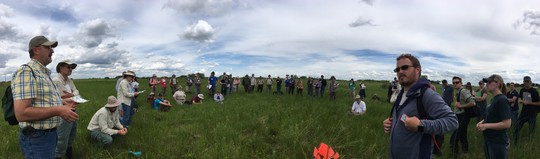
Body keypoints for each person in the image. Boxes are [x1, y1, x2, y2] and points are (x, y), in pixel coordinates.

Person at [12, 36, 79, 158]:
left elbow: (44, 102)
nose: (52, 51)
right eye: (48, 47)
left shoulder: (43, 74)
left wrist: (63, 103)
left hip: (49, 135)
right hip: (37, 138)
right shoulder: (27, 71)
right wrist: (59, 110)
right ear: (36, 50)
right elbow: (21, 113)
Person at [383, 54, 457, 159]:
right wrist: (393, 123)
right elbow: (406, 117)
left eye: (405, 67)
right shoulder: (401, 94)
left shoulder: (427, 95)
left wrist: (421, 126)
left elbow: (452, 122)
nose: (400, 71)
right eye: (397, 69)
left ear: (417, 70)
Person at [475, 74, 511, 159]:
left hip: (498, 142)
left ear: (498, 84)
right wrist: (482, 122)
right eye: (486, 82)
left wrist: (485, 126)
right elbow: (493, 117)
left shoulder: (502, 100)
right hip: (489, 139)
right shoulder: (494, 98)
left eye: (489, 82)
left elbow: (507, 124)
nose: (486, 84)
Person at [53, 59, 80, 159]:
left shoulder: (69, 80)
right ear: (61, 67)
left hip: (72, 110)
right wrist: (73, 96)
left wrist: (72, 94)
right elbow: (61, 98)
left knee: (71, 135)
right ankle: (58, 156)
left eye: (72, 67)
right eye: (68, 67)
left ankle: (69, 155)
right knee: (62, 138)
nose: (70, 69)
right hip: (63, 113)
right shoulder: (57, 80)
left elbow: (76, 91)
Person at [450, 77, 476, 157]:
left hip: (463, 116)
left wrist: (461, 106)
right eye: (453, 83)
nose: (455, 84)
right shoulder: (456, 91)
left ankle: (455, 155)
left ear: (461, 83)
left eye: (457, 82)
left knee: (453, 139)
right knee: (462, 135)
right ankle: (465, 153)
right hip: (458, 116)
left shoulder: (464, 91)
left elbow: (473, 103)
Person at [513, 76, 540, 145]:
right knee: (517, 127)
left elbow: (538, 103)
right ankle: (515, 142)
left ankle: (530, 144)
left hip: (532, 113)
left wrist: (529, 103)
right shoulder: (522, 90)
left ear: (530, 82)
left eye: (528, 81)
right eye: (525, 82)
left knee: (531, 130)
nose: (527, 83)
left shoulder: (534, 91)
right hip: (523, 113)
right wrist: (520, 100)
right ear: (523, 82)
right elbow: (519, 97)